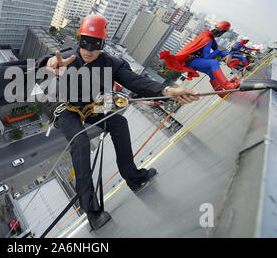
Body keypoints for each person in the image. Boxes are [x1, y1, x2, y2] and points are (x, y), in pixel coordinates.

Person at [42, 14, 199, 230]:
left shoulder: (110, 63)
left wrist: (168, 91)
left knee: (119, 124)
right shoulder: (67, 58)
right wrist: (51, 63)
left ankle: (133, 177)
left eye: (95, 45)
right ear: (79, 41)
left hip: (90, 106)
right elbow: (50, 62)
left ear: (103, 44)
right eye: (84, 43)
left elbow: (136, 81)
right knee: (80, 142)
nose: (88, 50)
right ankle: (92, 211)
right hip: (65, 108)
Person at [160, 21, 240, 98]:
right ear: (221, 33)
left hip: (191, 61)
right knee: (214, 63)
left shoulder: (209, 36)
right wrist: (218, 51)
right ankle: (228, 86)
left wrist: (229, 54)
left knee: (211, 73)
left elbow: (219, 50)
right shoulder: (208, 39)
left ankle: (221, 94)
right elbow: (207, 57)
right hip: (191, 61)